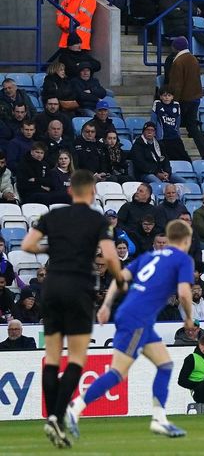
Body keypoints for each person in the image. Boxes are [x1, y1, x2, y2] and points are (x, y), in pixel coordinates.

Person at [63, 219, 195, 441]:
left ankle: (159, 420)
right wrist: (189, 317)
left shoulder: (150, 256)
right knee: (117, 373)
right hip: (137, 319)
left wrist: (106, 305)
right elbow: (183, 293)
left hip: (136, 317)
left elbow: (119, 277)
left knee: (165, 365)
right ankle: (75, 407)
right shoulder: (183, 260)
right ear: (187, 240)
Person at [20, 169, 121, 447]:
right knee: (76, 358)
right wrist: (120, 276)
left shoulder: (53, 216)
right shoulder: (97, 220)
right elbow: (110, 257)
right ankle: (55, 415)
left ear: (69, 191)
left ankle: (52, 417)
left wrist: (51, 250)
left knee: (52, 357)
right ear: (93, 192)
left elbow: (27, 244)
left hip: (52, 287)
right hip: (79, 288)